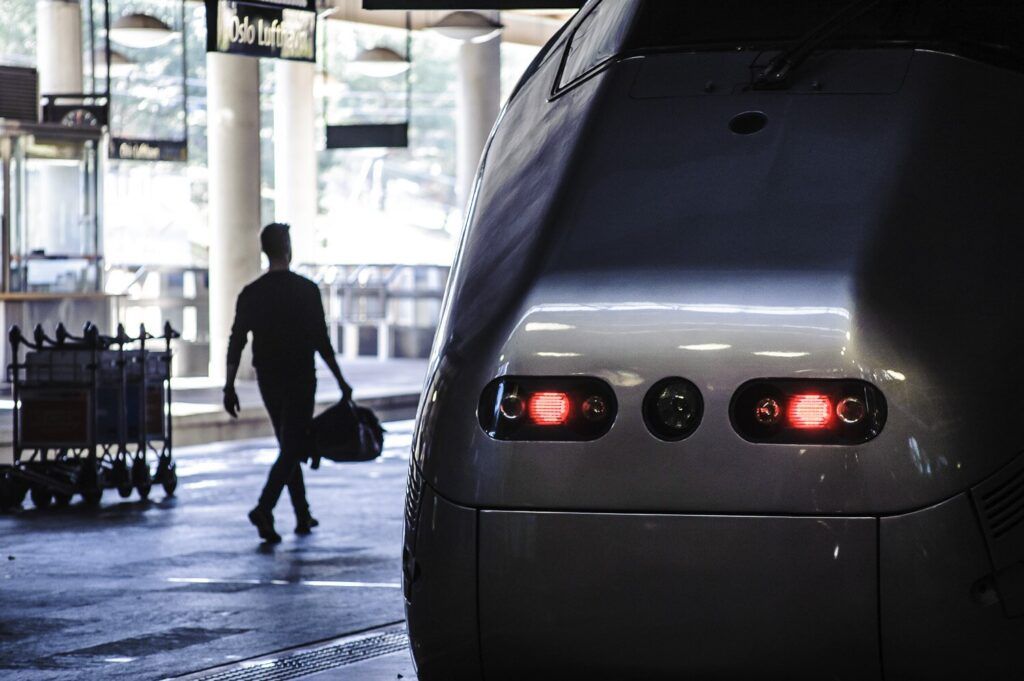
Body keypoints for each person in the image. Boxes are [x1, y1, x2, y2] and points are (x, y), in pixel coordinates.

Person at [223, 223, 352, 543]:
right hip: (300, 378)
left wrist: (229, 386)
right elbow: (321, 341)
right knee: (293, 445)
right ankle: (264, 508)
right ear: (287, 249)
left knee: (289, 444)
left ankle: (302, 514)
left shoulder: (251, 293)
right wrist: (341, 381)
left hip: (268, 379)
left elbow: (236, 341)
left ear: (266, 251)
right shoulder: (306, 290)